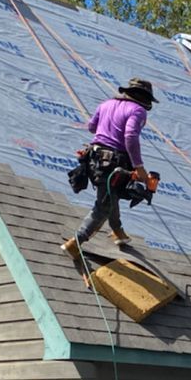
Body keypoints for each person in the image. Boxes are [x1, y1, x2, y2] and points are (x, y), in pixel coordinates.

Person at [63, 80, 159, 265]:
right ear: (145, 98)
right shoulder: (138, 111)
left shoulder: (106, 104)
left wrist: (107, 126)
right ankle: (76, 242)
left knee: (110, 195)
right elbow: (130, 136)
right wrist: (139, 167)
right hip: (114, 162)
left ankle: (117, 230)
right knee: (104, 205)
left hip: (94, 159)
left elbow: (92, 127)